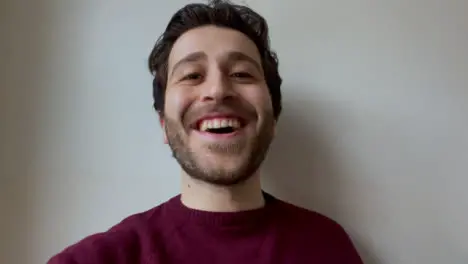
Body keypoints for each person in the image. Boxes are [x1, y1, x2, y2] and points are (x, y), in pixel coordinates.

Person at [48, 0, 363, 263]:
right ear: (163, 125)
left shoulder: (328, 248)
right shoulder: (96, 260)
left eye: (241, 73)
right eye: (192, 75)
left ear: (273, 119)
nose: (217, 89)